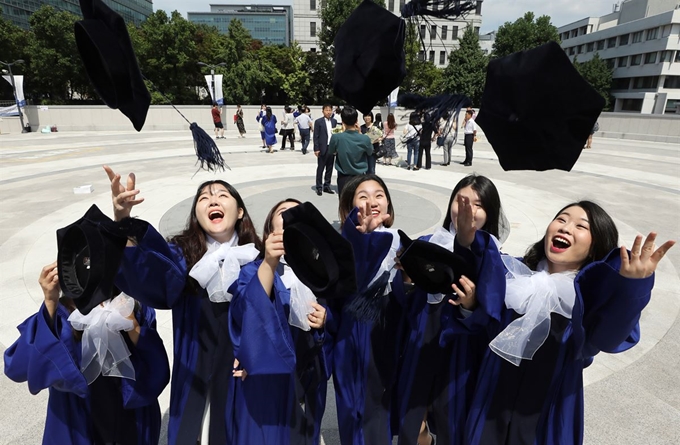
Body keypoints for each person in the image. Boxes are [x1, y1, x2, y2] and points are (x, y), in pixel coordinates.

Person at [456, 200, 675, 445]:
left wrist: (631, 287)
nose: (565, 228)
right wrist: (470, 304)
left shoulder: (587, 301)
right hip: (491, 399)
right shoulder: (514, 276)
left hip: (548, 410)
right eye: (561, 219)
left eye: (581, 226)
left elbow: (610, 336)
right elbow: (485, 328)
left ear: (595, 247)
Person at [104, 166, 263, 445]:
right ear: (196, 216)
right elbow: (147, 275)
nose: (213, 200)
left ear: (239, 211)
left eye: (222, 195)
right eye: (204, 198)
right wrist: (123, 220)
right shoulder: (181, 256)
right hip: (196, 369)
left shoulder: (259, 260)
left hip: (244, 371)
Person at [4, 261, 170, 445]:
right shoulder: (62, 318)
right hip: (80, 423)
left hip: (131, 419)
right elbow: (17, 368)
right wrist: (50, 302)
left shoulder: (133, 307)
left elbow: (157, 371)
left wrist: (133, 327)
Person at [395, 174, 507, 445]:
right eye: (461, 201)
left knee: (450, 418)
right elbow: (408, 300)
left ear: (489, 213)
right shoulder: (428, 242)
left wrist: (470, 306)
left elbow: (493, 318)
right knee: (412, 418)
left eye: (477, 205)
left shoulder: (494, 259)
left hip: (461, 348)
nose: (467, 210)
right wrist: (407, 278)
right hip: (423, 336)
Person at [229, 198, 329, 444]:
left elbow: (338, 307)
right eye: (284, 213)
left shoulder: (321, 272)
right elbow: (245, 310)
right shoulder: (254, 270)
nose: (292, 216)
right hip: (270, 376)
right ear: (269, 231)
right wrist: (269, 263)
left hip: (309, 372)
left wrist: (326, 318)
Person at [332, 174, 407, 445]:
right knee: (353, 415)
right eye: (362, 196)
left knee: (383, 413)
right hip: (352, 338)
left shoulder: (403, 246)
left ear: (388, 206)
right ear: (348, 208)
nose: (372, 201)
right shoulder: (341, 246)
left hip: (387, 337)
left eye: (379, 195)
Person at [328, 106, 373, 197]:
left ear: (342, 121)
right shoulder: (364, 139)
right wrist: (360, 133)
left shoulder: (336, 137)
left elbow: (331, 151)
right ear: (356, 120)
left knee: (344, 207)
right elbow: (370, 152)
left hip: (343, 177)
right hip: (360, 176)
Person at [313, 104, 338, 196]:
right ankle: (319, 187)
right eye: (326, 110)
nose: (328, 112)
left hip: (331, 148)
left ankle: (327, 186)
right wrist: (316, 149)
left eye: (330, 110)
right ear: (323, 111)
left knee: (330, 168)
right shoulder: (318, 122)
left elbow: (336, 135)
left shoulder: (334, 121)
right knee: (320, 168)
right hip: (322, 148)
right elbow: (316, 136)